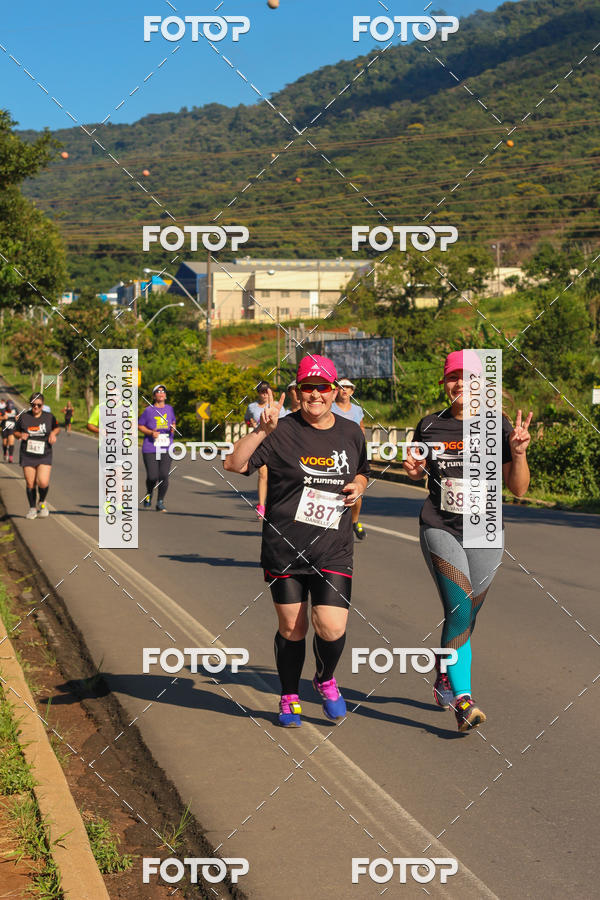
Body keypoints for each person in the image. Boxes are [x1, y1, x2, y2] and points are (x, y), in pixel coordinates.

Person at [225, 355, 369, 727]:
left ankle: (324, 679)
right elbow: (235, 465)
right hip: (285, 546)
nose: (316, 395)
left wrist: (358, 486)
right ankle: (290, 695)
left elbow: (362, 472)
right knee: (293, 628)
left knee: (332, 626)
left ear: (334, 390)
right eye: (308, 388)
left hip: (333, 547)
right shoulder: (281, 431)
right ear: (298, 392)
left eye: (323, 387)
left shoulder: (351, 432)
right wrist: (261, 430)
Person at [403, 350, 532, 732]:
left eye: (468, 377)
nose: (460, 384)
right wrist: (413, 470)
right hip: (439, 524)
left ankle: (445, 670)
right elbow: (416, 470)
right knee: (459, 607)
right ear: (444, 384)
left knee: (467, 616)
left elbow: (519, 489)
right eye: (452, 377)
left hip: (485, 529)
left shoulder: (499, 425)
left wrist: (520, 453)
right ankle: (464, 701)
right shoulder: (428, 426)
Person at [14, 393, 60, 520]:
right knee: (30, 483)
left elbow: (57, 428)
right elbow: (15, 432)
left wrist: (53, 434)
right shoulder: (24, 417)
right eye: (33, 405)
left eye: (39, 405)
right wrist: (20, 435)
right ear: (30, 405)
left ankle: (42, 502)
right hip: (27, 454)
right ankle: (32, 508)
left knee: (43, 482)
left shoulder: (49, 417)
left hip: (44, 453)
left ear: (42, 405)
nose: (36, 407)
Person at [244, 380, 285, 519]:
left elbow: (285, 423)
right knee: (263, 474)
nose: (265, 394)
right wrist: (252, 423)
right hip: (260, 443)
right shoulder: (252, 407)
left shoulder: (278, 407)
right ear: (258, 393)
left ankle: (277, 504)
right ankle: (261, 506)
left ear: (271, 392)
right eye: (262, 391)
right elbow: (247, 419)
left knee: (277, 475)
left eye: (267, 391)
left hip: (277, 443)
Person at [332, 378, 367, 539]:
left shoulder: (357, 409)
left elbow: (361, 429)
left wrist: (363, 449)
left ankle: (354, 521)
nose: (344, 390)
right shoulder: (330, 407)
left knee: (355, 490)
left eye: (347, 387)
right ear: (336, 390)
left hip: (352, 454)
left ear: (352, 392)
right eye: (341, 387)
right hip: (332, 454)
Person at [138, 384, 176, 512]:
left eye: (163, 391)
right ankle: (149, 493)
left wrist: (173, 427)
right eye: (158, 392)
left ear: (165, 395)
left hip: (166, 446)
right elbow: (140, 425)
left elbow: (173, 421)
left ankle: (160, 502)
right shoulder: (148, 410)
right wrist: (150, 433)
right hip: (150, 447)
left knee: (164, 475)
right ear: (154, 396)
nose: (161, 393)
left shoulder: (170, 409)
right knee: (152, 476)